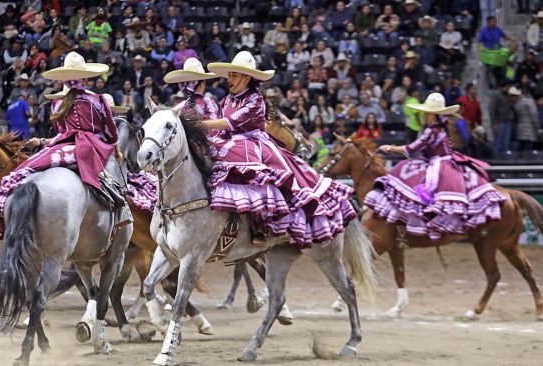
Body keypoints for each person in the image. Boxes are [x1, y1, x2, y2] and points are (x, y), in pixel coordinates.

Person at [202, 51, 356, 246]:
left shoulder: (255, 100)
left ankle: (263, 223)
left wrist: (203, 124)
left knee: (264, 175)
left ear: (246, 78)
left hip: (254, 144)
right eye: (229, 75)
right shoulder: (226, 100)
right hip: (230, 141)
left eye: (234, 75)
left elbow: (232, 122)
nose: (229, 79)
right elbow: (222, 127)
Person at [0, 52, 118, 238]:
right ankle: (119, 208)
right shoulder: (98, 101)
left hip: (60, 148)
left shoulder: (57, 104)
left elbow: (61, 133)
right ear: (86, 78)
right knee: (114, 178)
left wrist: (44, 142)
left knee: (26, 168)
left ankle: (2, 207)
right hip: (91, 148)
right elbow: (112, 135)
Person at [365, 93, 505, 241]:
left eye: (426, 112)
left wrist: (390, 148)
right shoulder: (439, 128)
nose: (424, 115)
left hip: (440, 163)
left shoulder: (431, 131)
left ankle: (425, 221)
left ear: (432, 114)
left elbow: (412, 148)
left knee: (410, 174)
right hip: (442, 160)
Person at [509, 87, 541, 152]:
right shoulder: (530, 102)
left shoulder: (516, 105)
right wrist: (537, 127)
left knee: (522, 151)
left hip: (520, 131)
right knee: (528, 152)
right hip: (529, 131)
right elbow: (534, 116)